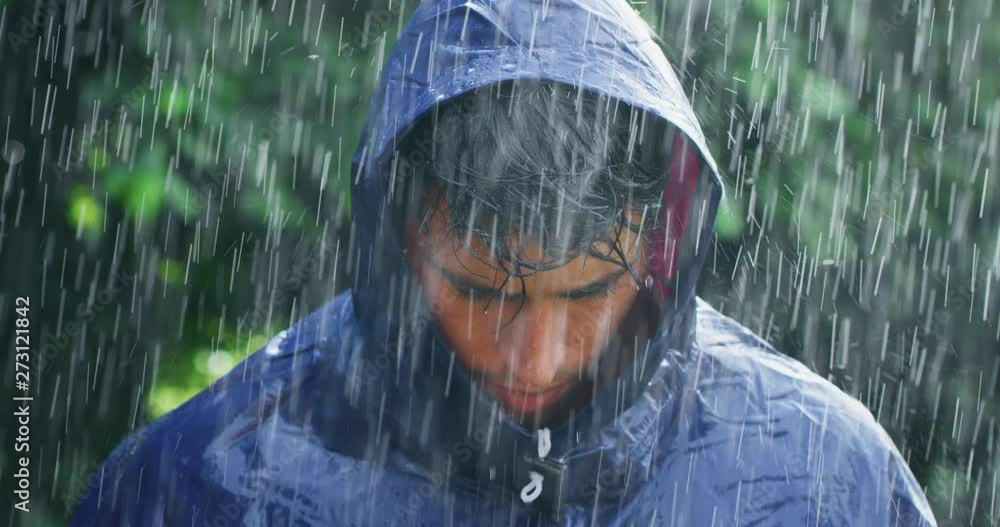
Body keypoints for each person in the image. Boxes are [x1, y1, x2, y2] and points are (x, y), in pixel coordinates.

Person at [73, 0, 937, 525]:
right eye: (479, 289)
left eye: (592, 290)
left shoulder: (827, 478)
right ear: (397, 241)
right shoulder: (202, 485)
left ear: (659, 239)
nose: (539, 356)